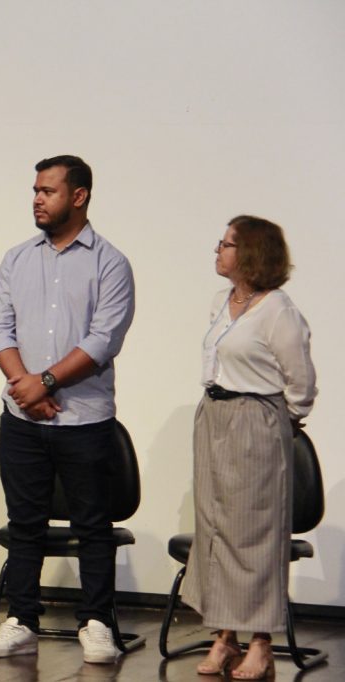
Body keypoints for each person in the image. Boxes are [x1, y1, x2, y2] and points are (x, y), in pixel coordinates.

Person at [0, 155, 135, 663]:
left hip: (85, 420)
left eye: (48, 190)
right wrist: (24, 387)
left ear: (79, 196)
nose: (37, 198)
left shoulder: (109, 262)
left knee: (93, 525)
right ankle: (22, 618)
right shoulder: (17, 258)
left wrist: (43, 381)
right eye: (35, 190)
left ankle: (96, 622)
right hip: (23, 421)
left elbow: (102, 341)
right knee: (24, 523)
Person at [181, 216, 316, 679]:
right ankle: (224, 637)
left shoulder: (277, 309)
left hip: (255, 420)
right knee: (216, 530)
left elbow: (301, 380)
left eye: (227, 244)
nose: (217, 250)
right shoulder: (222, 302)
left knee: (254, 536)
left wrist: (282, 421)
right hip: (214, 415)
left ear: (252, 253)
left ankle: (261, 643)